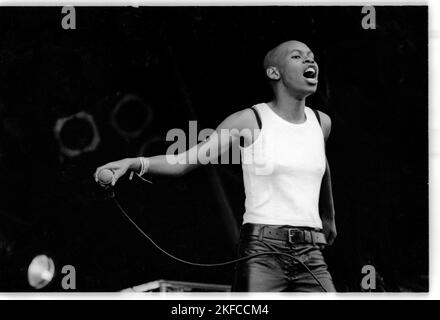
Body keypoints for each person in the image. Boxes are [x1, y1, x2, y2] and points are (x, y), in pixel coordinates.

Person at [94, 40, 337, 292]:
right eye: (297, 57)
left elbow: (321, 165)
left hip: (311, 252)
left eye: (311, 56)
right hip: (264, 251)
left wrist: (329, 216)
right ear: (274, 73)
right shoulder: (250, 120)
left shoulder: (322, 123)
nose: (310, 61)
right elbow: (185, 161)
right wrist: (134, 163)